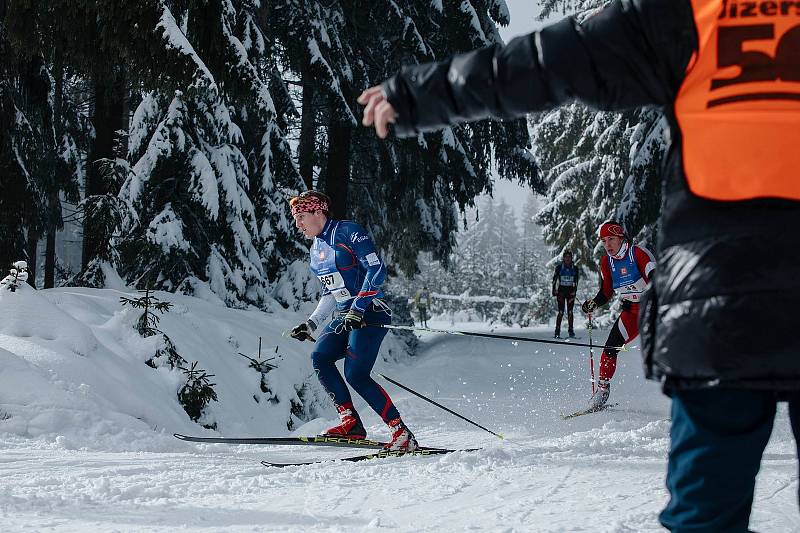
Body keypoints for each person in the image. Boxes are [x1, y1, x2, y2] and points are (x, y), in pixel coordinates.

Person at [357, 1, 800, 529]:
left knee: (706, 513)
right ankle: (603, 390)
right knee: (614, 346)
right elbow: (606, 282)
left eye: (612, 235)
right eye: (606, 237)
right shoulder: (608, 258)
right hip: (709, 305)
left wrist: (417, 94)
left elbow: (545, 61)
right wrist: (596, 297)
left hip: (715, 306)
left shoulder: (692, 12)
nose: (610, 240)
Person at [287, 191, 418, 451]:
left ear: (318, 212)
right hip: (346, 313)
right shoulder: (316, 250)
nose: (298, 224)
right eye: (296, 219)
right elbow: (330, 293)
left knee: (356, 374)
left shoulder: (348, 231)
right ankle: (351, 424)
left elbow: (376, 269)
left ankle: (401, 434)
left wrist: (358, 306)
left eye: (301, 217)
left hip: (370, 310)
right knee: (320, 357)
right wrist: (311, 324)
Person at [580, 222, 656, 409]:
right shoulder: (607, 262)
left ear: (622, 238)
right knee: (609, 349)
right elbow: (606, 291)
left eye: (611, 239)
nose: (607, 245)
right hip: (631, 313)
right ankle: (602, 391)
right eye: (604, 241)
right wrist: (594, 303)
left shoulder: (638, 254)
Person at [551, 251, 578, 339]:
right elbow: (554, 280)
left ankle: (571, 332)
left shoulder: (575, 268)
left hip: (570, 292)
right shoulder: (559, 268)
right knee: (561, 312)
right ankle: (557, 332)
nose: (567, 259)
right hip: (561, 292)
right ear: (563, 258)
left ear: (571, 258)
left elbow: (576, 281)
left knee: (570, 312)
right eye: (566, 257)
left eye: (569, 257)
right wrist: (553, 290)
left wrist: (574, 292)